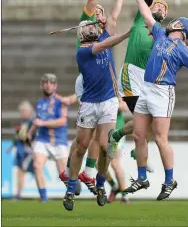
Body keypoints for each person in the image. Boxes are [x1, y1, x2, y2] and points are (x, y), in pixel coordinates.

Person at [123, 0, 188, 200]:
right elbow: (146, 14)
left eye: (177, 21)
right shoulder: (159, 34)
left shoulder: (183, 48)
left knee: (159, 138)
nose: (172, 21)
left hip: (163, 92)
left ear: (182, 28)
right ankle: (142, 178)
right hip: (146, 88)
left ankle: (169, 181)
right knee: (139, 135)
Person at [107, 0, 169, 160]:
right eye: (158, 5)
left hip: (148, 79)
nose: (160, 8)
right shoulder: (142, 19)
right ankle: (129, 141)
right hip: (131, 72)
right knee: (143, 118)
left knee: (150, 119)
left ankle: (116, 135)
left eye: (164, 9)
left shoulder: (162, 34)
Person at [63, 20, 130, 211]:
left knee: (107, 145)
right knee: (81, 146)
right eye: (88, 27)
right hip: (89, 104)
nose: (92, 28)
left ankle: (100, 184)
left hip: (108, 102)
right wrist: (127, 34)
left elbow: (114, 16)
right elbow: (107, 44)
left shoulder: (103, 37)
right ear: (81, 34)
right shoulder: (82, 52)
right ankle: (70, 189)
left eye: (94, 26)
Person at [59, 0, 112, 193]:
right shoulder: (87, 25)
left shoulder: (104, 32)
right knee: (85, 138)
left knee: (94, 138)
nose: (99, 13)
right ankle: (75, 171)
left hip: (101, 85)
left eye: (102, 12)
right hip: (87, 84)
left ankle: (82, 172)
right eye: (96, 12)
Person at [27, 73, 72, 202]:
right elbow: (38, 120)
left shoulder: (61, 101)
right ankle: (44, 197)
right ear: (41, 85)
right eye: (46, 82)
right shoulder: (40, 102)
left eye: (51, 83)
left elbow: (62, 121)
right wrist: (30, 132)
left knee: (63, 175)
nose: (48, 85)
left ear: (55, 86)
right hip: (43, 139)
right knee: (37, 165)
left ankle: (72, 192)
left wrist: (42, 123)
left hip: (59, 140)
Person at [9, 101, 35, 200]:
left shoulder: (32, 121)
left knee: (35, 171)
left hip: (29, 152)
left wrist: (21, 137)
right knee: (21, 172)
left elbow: (29, 137)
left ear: (28, 111)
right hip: (24, 151)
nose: (21, 113)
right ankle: (18, 194)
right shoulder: (24, 121)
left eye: (22, 111)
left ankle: (43, 194)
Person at [107, 98, 130, 204]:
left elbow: (124, 106)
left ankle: (124, 195)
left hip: (115, 132)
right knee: (97, 163)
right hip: (102, 131)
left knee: (115, 164)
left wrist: (105, 104)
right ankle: (114, 186)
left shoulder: (115, 91)